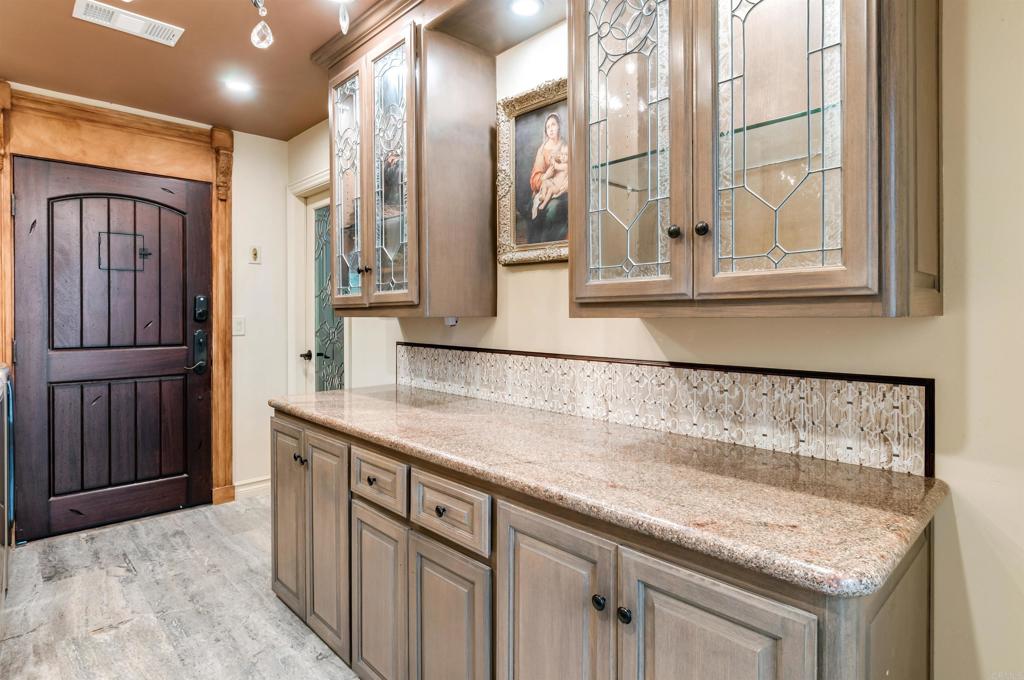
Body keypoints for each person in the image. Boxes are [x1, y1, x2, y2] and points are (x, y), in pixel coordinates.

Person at [528, 113, 569, 225]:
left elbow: (574, 167)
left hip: (564, 187)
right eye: (548, 127)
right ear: (546, 131)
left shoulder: (566, 145)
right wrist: (546, 175)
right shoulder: (543, 150)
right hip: (547, 186)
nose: (551, 129)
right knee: (552, 209)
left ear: (559, 126)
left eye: (553, 125)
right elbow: (535, 179)